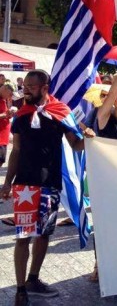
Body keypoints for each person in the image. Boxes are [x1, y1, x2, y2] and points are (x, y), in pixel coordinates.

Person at [0, 69, 94, 306]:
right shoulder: (21, 115)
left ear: (45, 87)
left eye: (32, 86)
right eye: (26, 86)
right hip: (25, 184)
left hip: (50, 184)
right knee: (23, 237)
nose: (26, 90)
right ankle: (20, 290)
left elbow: (76, 146)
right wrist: (7, 182)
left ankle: (33, 279)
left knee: (44, 234)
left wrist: (89, 138)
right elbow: (16, 151)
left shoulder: (60, 112)